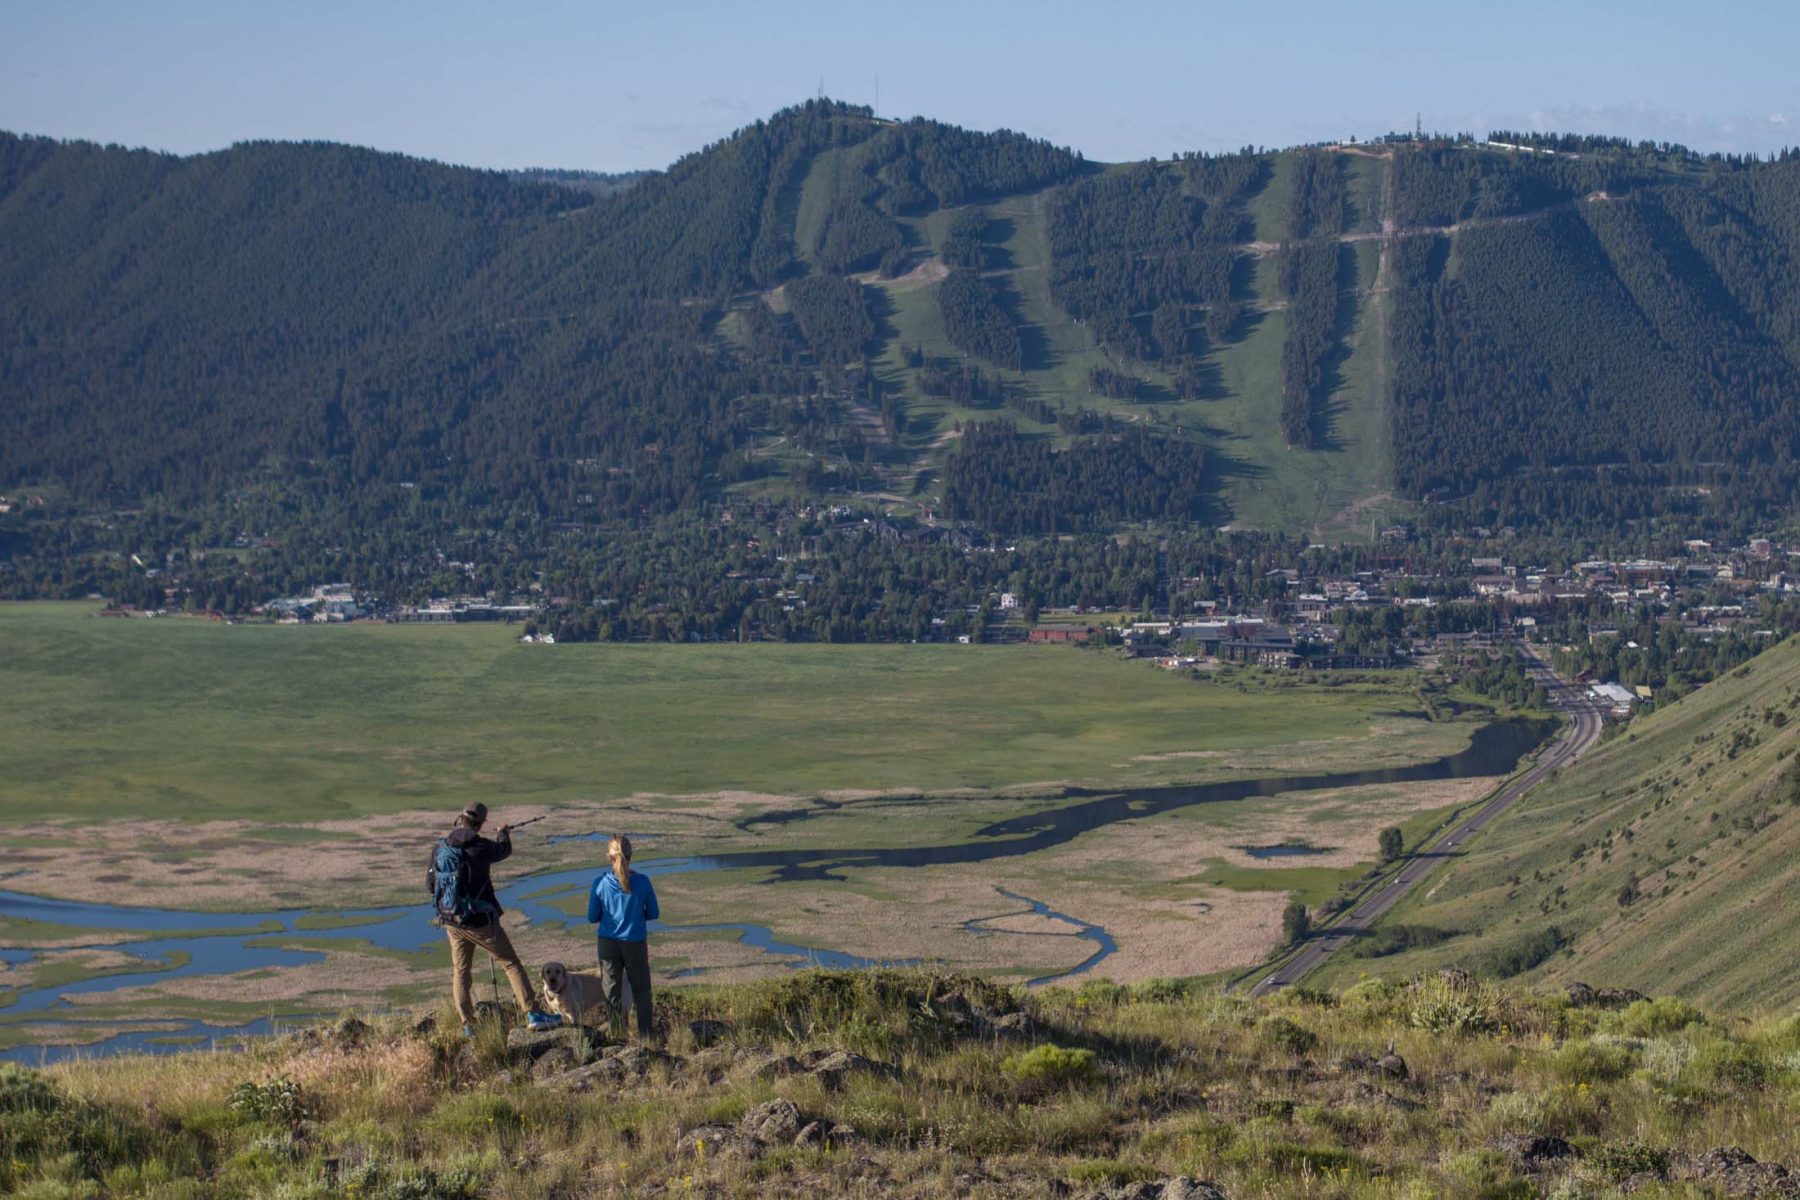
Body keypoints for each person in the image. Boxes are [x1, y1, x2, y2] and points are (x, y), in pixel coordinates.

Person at [436, 802, 562, 1035]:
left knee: (461, 971)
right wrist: (503, 833)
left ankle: (468, 1025)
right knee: (510, 963)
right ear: (480, 823)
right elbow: (503, 850)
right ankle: (533, 1013)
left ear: (460, 819)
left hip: (452, 920)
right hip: (481, 921)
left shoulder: (442, 847)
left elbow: (430, 884)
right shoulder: (481, 847)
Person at [586, 834, 659, 1037]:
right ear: (631, 855)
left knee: (612, 990)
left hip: (608, 943)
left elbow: (592, 917)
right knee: (641, 990)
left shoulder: (600, 883)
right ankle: (645, 1034)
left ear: (609, 856)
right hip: (635, 942)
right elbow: (653, 913)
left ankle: (617, 1035)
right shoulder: (643, 882)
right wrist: (636, 916)